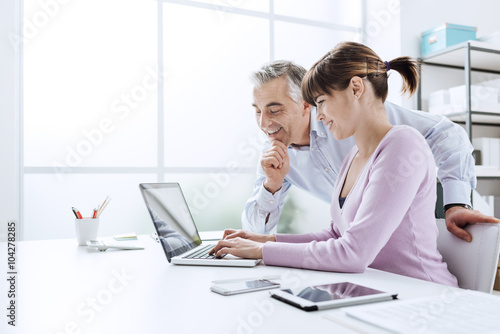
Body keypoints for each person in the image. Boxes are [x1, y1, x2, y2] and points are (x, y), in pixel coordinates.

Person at [210, 42, 459, 285]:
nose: (318, 116)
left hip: (422, 294)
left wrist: (262, 252)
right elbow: (335, 235)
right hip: (378, 289)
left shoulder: (403, 144)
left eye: (321, 102)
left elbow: (353, 253)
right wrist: (267, 241)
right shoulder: (354, 156)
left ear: (356, 89)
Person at [242, 58, 499, 242]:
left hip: (426, 220)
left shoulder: (352, 119)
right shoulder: (275, 157)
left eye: (274, 110)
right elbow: (255, 231)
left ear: (306, 105)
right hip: (371, 245)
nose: (264, 123)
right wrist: (271, 185)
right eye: (257, 111)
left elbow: (446, 134)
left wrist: (455, 202)